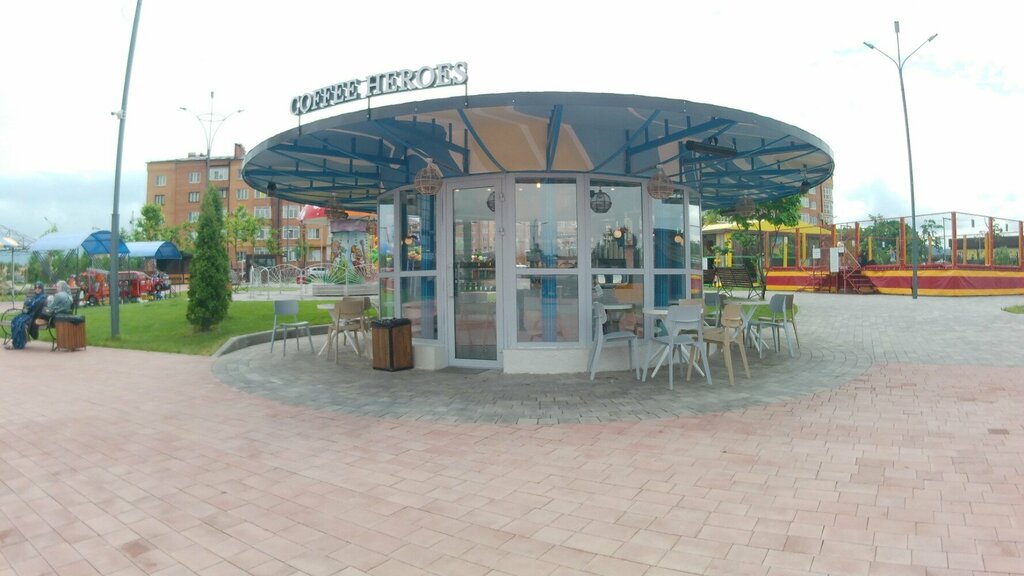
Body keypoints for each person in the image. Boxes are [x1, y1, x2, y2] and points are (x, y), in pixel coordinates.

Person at [5, 281, 48, 350]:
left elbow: (35, 308)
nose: (37, 289)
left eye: (39, 287)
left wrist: (29, 306)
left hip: (33, 316)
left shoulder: (43, 297)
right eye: (36, 288)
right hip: (27, 314)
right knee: (15, 320)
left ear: (42, 288)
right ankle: (15, 341)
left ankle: (15, 343)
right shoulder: (34, 297)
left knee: (20, 323)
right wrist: (27, 306)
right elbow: (28, 306)